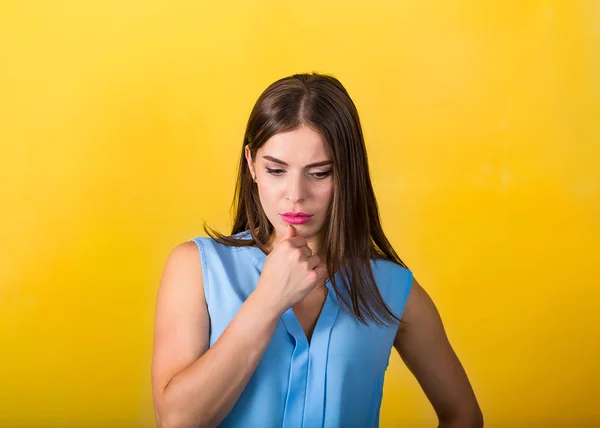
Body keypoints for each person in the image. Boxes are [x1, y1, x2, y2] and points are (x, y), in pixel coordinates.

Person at [151, 73, 483, 428]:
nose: (295, 194)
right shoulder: (197, 269)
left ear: (346, 173)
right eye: (276, 170)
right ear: (251, 164)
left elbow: (463, 415)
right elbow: (176, 421)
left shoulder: (393, 289)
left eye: (320, 173)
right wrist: (267, 302)